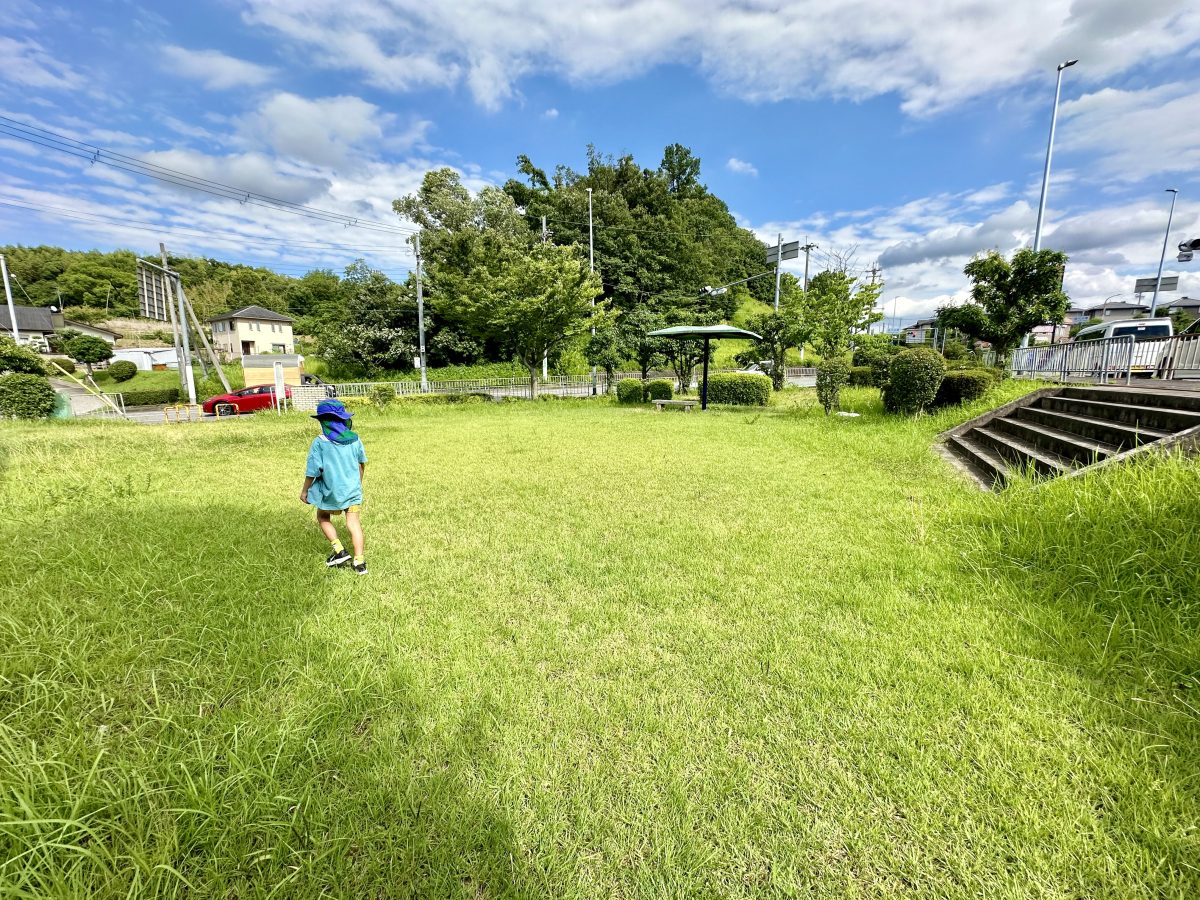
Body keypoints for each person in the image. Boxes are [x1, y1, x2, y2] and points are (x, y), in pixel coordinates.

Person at [300, 399, 368, 574]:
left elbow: (313, 470)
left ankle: (339, 551)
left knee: (323, 517)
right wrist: (357, 484)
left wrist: (305, 490)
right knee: (354, 523)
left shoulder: (320, 442)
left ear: (324, 420)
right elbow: (361, 464)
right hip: (353, 490)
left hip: (331, 491)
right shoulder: (355, 439)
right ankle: (359, 562)